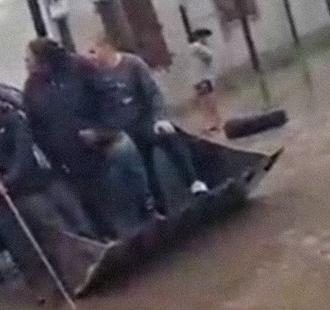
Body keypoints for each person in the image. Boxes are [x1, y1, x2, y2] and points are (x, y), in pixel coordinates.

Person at [0, 83, 99, 296]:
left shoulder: (11, 121)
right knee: (21, 247)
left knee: (53, 231)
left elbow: (23, 156)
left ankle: (78, 275)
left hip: (28, 189)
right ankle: (45, 291)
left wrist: (9, 179)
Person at [23, 37, 157, 234]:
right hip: (72, 159)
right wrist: (54, 158)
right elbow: (36, 127)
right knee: (99, 203)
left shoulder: (79, 68)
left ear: (43, 58)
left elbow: (109, 96)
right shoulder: (32, 88)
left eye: (29, 59)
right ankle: (116, 235)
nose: (26, 64)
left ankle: (148, 210)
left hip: (103, 144)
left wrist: (104, 130)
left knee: (124, 159)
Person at [89, 34, 210, 214]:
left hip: (144, 121)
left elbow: (152, 91)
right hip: (124, 131)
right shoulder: (96, 75)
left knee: (170, 136)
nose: (91, 56)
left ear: (106, 47)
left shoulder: (132, 64)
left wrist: (159, 118)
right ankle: (159, 207)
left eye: (93, 50)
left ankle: (194, 182)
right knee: (141, 165)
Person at [189, 29, 224, 133]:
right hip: (204, 79)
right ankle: (215, 124)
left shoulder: (192, 49)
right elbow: (209, 56)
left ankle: (209, 124)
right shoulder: (197, 47)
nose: (206, 40)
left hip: (198, 80)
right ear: (200, 37)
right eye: (204, 37)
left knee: (204, 103)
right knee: (210, 102)